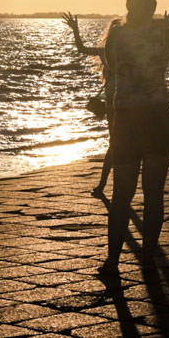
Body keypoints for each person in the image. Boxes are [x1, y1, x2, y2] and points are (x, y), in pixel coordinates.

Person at [100, 0, 169, 275]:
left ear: (128, 4)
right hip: (155, 116)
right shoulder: (163, 30)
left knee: (122, 194)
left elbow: (112, 65)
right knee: (153, 193)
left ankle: (113, 261)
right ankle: (148, 257)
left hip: (129, 116)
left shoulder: (116, 32)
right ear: (153, 5)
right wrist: (166, 24)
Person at [63, 12, 120, 200]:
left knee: (116, 144)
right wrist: (75, 29)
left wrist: (75, 30)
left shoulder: (106, 51)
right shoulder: (115, 51)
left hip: (116, 100)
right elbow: (82, 49)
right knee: (118, 143)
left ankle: (104, 185)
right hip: (120, 100)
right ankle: (106, 185)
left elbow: (81, 49)